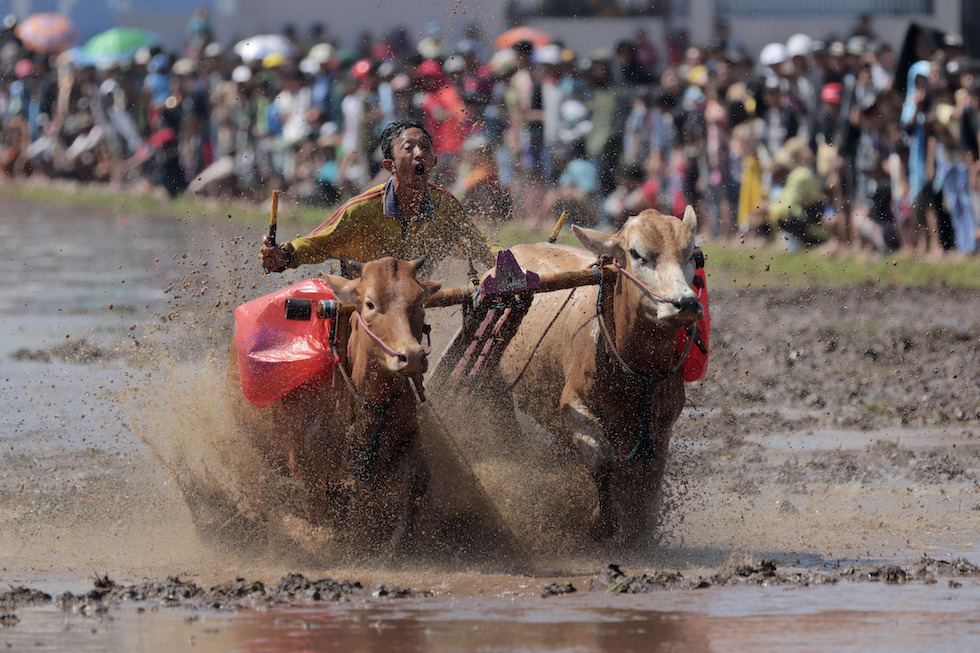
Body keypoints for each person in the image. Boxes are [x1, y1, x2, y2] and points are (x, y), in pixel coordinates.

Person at [260, 119, 498, 275]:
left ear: (434, 162)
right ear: (390, 165)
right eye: (408, 148)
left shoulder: (445, 206)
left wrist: (510, 259)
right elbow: (318, 242)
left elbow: (479, 246)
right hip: (361, 301)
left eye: (425, 148)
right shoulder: (360, 209)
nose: (419, 154)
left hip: (411, 303)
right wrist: (284, 255)